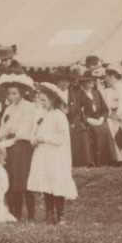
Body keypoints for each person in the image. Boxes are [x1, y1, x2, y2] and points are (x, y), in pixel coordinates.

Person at [27, 82, 76, 225]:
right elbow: (34, 132)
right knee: (46, 182)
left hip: (55, 155)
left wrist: (45, 139)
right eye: (39, 100)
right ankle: (49, 214)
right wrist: (34, 140)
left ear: (52, 100)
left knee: (56, 182)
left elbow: (61, 138)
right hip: (42, 153)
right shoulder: (40, 115)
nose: (41, 103)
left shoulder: (59, 116)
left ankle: (61, 214)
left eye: (44, 100)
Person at [0, 74, 37, 220]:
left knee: (22, 179)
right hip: (9, 145)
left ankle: (31, 214)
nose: (11, 96)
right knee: (11, 178)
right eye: (9, 93)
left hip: (22, 146)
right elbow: (3, 128)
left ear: (22, 93)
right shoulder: (8, 108)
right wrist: (5, 135)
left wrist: (13, 134)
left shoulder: (29, 107)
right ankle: (15, 212)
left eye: (14, 93)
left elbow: (24, 130)